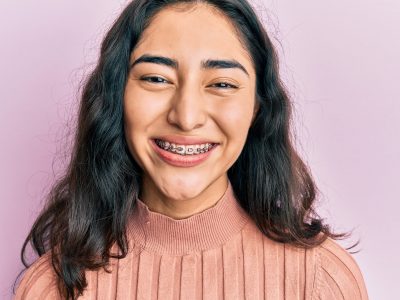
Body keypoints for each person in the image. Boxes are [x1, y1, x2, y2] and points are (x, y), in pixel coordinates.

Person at [14, 0, 369, 299]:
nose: (186, 117)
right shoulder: (50, 289)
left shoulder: (321, 281)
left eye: (222, 84)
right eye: (156, 78)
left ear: (256, 109)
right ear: (117, 97)